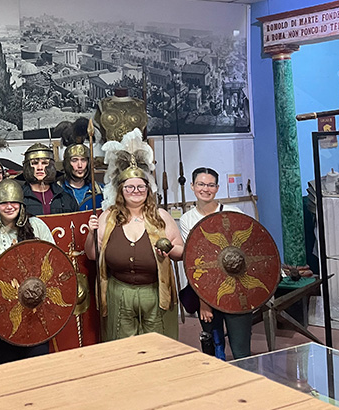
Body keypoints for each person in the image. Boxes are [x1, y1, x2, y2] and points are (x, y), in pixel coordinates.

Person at [85, 129, 183, 340]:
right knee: (123, 348)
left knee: (158, 346)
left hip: (155, 292)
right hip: (119, 292)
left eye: (140, 187)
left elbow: (181, 252)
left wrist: (169, 249)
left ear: (148, 190)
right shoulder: (108, 216)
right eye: (129, 187)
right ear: (121, 191)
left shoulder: (161, 216)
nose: (136, 191)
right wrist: (91, 233)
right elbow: (93, 254)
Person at [0, 178, 55, 366]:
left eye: (13, 202)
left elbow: (54, 263)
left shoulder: (37, 226)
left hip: (36, 308)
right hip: (1, 311)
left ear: (21, 204)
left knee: (38, 364)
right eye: (4, 202)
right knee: (7, 367)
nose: (9, 206)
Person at [179, 167, 251, 360]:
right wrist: (204, 302)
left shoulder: (233, 212)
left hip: (237, 289)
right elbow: (194, 262)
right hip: (206, 291)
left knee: (241, 349)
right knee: (214, 346)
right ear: (193, 186)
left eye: (210, 185)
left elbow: (248, 251)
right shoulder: (187, 219)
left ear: (217, 188)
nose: (206, 189)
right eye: (201, 184)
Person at [20, 143, 78, 216]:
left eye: (44, 163)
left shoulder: (65, 198)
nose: (40, 167)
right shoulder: (19, 198)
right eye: (35, 163)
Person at [59, 143, 103, 211]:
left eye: (83, 160)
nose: (80, 165)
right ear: (67, 163)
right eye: (74, 160)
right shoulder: (58, 189)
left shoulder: (100, 190)